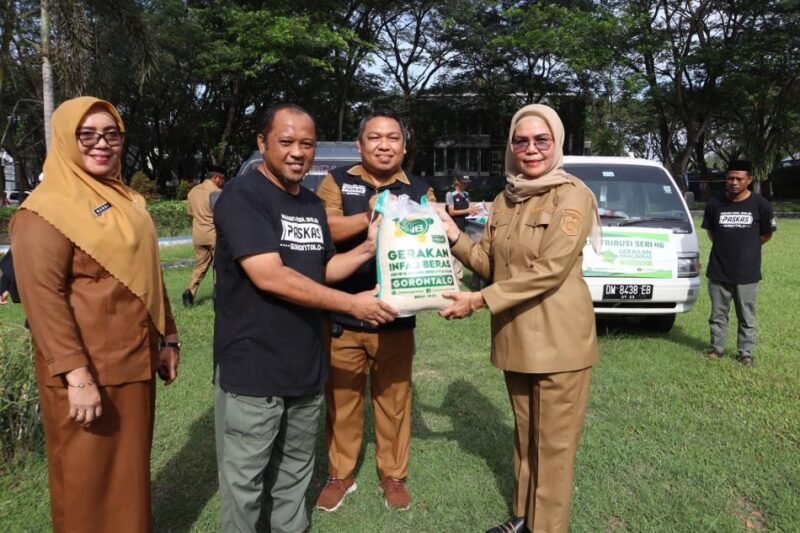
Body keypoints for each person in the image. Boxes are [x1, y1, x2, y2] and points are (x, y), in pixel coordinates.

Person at [212, 103, 397, 533]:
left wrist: (369, 246)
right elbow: (270, 276)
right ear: (262, 144)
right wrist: (351, 305)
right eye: (286, 142)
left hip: (305, 368)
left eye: (307, 144)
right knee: (244, 484)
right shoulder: (243, 196)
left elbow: (321, 270)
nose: (298, 152)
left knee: (295, 474)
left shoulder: (312, 205)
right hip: (252, 373)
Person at [9, 96, 180, 533]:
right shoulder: (43, 213)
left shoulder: (126, 201)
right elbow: (43, 300)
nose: (101, 143)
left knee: (127, 479)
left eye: (111, 134)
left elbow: (149, 274)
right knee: (86, 484)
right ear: (66, 140)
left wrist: (168, 339)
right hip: (85, 374)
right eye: (87, 135)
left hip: (133, 363)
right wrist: (77, 378)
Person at [437, 104, 601, 533]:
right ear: (511, 146)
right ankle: (525, 520)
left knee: (553, 447)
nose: (530, 149)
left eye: (541, 140)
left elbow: (549, 270)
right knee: (527, 440)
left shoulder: (572, 195)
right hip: (516, 339)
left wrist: (475, 302)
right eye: (521, 140)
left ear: (557, 143)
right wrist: (451, 234)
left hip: (559, 341)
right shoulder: (504, 200)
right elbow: (489, 263)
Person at [315, 111, 436, 512]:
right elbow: (323, 230)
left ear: (404, 145)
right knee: (343, 399)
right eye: (374, 137)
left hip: (397, 318)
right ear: (360, 144)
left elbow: (435, 241)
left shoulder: (420, 189)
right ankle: (341, 474)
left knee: (394, 400)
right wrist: (370, 214)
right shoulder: (338, 181)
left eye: (392, 138)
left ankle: (393, 475)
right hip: (344, 315)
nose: (384, 145)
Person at [701, 160, 776, 366]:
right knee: (717, 315)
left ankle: (746, 353)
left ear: (749, 180)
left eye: (739, 179)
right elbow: (711, 232)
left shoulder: (761, 204)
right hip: (719, 270)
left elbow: (766, 235)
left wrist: (748, 250)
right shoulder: (715, 203)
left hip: (747, 273)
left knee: (747, 317)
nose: (733, 182)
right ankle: (717, 349)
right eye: (730, 178)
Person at [182, 164, 225, 307]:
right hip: (214, 235)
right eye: (222, 179)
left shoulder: (193, 192)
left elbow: (190, 213)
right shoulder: (217, 192)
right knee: (220, 265)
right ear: (216, 178)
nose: (223, 182)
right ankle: (218, 295)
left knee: (200, 266)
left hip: (198, 236)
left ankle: (189, 292)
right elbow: (222, 215)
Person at [445, 174, 480, 281]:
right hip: (452, 227)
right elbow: (451, 212)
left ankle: (459, 277)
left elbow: (466, 212)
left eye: (466, 183)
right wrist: (468, 211)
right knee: (451, 253)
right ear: (457, 182)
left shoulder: (466, 195)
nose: (465, 185)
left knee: (460, 252)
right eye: (463, 182)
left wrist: (473, 213)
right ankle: (450, 276)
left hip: (463, 227)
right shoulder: (450, 194)